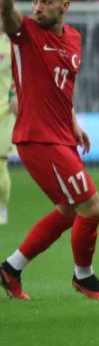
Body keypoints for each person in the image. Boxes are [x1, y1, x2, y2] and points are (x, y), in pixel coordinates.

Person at [0, 0, 99, 300]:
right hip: (38, 138)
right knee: (91, 207)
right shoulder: (26, 33)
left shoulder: (75, 40)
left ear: (64, 6)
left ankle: (10, 269)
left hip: (60, 135)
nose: (37, 7)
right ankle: (84, 277)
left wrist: (74, 124)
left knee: (69, 210)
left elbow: (61, 91)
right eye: (35, 1)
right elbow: (5, 11)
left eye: (46, 1)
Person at [0, 25, 17, 225]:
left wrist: (18, 96)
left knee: (0, 163)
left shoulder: (12, 44)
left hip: (4, 110)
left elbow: (20, 73)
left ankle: (2, 206)